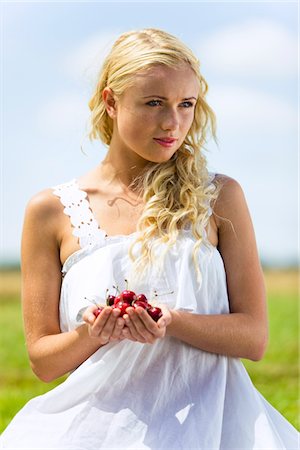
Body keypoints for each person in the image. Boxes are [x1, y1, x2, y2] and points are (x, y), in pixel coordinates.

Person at [0, 28, 298, 450]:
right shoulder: (49, 210)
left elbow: (254, 338)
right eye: (154, 102)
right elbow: (44, 362)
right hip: (93, 431)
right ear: (110, 102)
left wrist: (171, 321)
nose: (173, 122)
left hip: (213, 426)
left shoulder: (220, 196)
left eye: (186, 104)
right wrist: (96, 333)